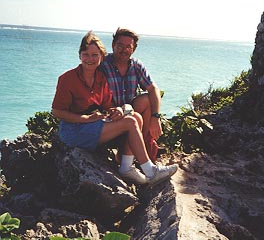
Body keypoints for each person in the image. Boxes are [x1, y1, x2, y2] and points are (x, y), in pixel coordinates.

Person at [52, 30, 177, 186]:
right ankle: (150, 171)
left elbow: (106, 105)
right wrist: (85, 119)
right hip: (74, 130)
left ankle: (127, 166)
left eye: (95, 55)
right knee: (131, 122)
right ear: (79, 55)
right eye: (86, 54)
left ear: (101, 57)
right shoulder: (68, 78)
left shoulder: (100, 78)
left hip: (94, 124)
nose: (90, 59)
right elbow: (56, 112)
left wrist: (117, 110)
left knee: (135, 117)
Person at [101, 28, 163, 162]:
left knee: (146, 99)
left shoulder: (136, 65)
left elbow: (153, 89)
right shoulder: (103, 64)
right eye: (120, 45)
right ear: (113, 45)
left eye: (128, 46)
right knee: (135, 116)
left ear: (133, 49)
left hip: (128, 112)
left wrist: (155, 118)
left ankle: (141, 146)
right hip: (109, 114)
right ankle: (126, 155)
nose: (124, 50)